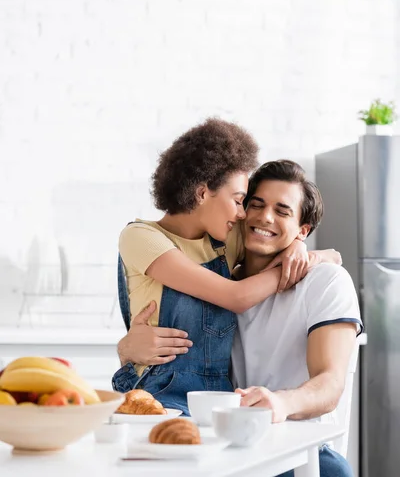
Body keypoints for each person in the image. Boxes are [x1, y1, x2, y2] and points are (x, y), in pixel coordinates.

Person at [116, 159, 362, 477]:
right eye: (252, 204)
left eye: (282, 211)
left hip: (291, 442)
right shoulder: (220, 286)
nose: (263, 217)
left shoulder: (325, 281)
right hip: (227, 439)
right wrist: (126, 349)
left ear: (303, 230)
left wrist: (282, 403)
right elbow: (227, 304)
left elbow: (330, 385)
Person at [112, 118, 339, 415]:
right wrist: (291, 265)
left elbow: (284, 240)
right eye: (238, 200)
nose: (244, 213)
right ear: (203, 192)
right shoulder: (141, 237)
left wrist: (301, 247)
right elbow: (236, 297)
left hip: (219, 394)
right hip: (158, 391)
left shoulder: (224, 240)